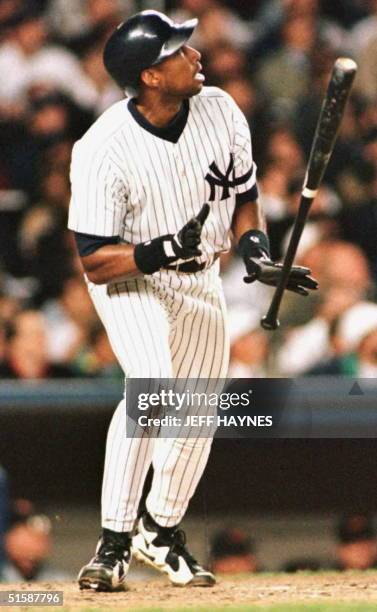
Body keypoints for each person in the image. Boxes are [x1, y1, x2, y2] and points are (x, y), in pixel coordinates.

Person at [68, 10, 317, 592]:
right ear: (150, 77)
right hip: (129, 278)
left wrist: (255, 252)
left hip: (199, 274)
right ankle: (113, 542)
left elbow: (244, 197)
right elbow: (95, 260)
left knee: (199, 408)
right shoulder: (102, 147)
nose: (195, 53)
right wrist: (157, 251)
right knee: (152, 385)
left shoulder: (220, 109)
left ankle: (161, 528)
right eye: (178, 50)